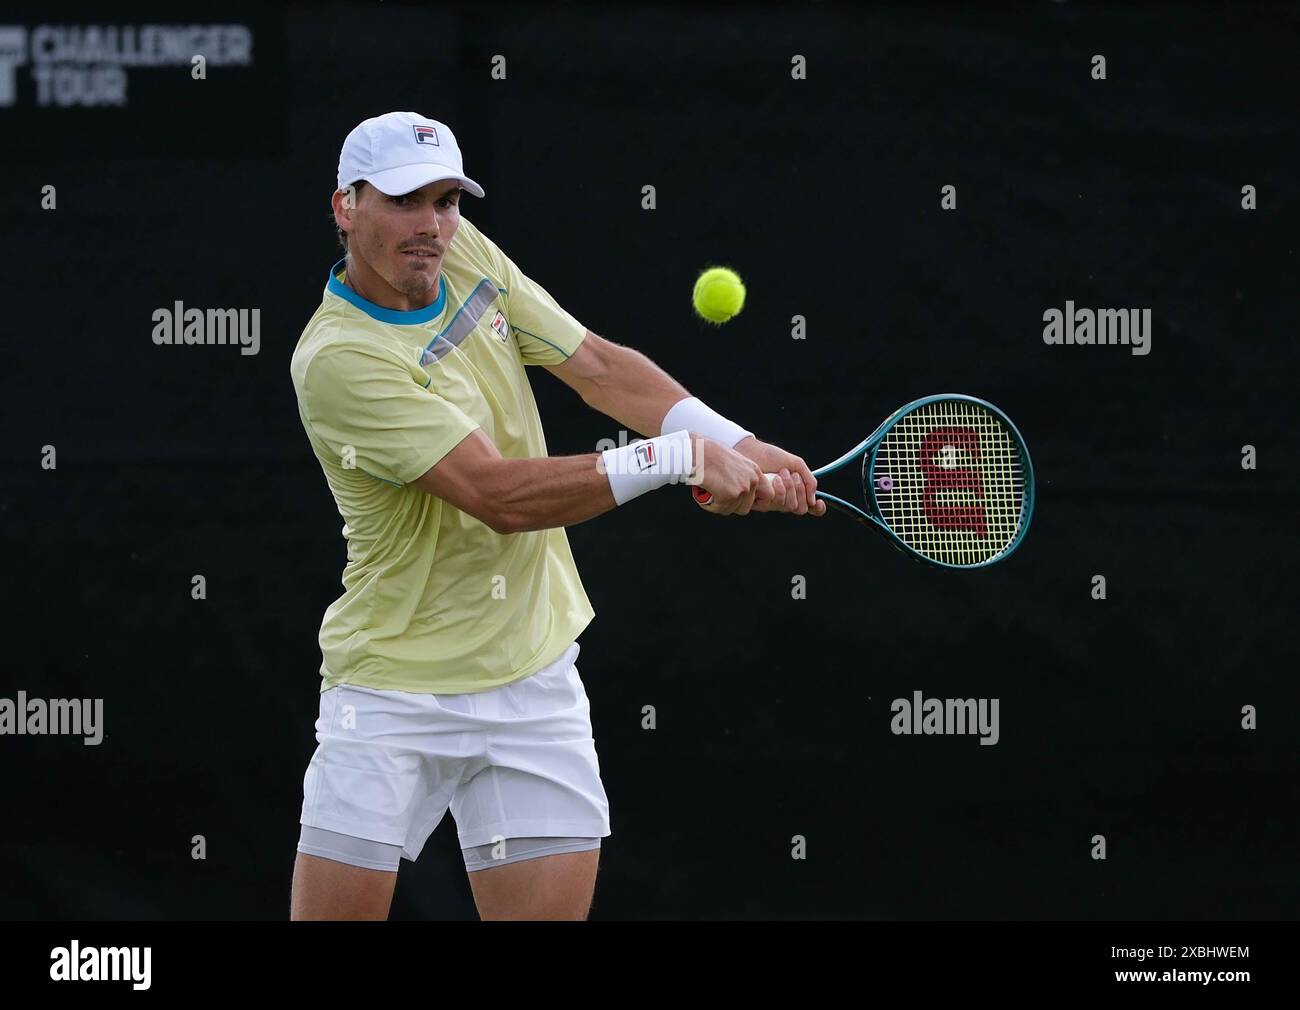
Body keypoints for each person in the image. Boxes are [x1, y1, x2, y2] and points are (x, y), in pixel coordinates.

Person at [288, 111, 825, 921]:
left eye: (446, 201)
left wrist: (737, 441)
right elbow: (498, 496)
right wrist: (679, 460)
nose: (430, 226)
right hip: (392, 692)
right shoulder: (338, 360)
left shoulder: (461, 253)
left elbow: (600, 367)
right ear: (346, 206)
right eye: (404, 201)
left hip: (532, 676)